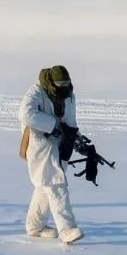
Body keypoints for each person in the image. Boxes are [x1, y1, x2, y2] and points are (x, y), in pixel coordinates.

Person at [18, 65, 84, 244]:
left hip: (61, 144)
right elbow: (25, 114)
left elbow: (71, 119)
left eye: (66, 84)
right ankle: (67, 229)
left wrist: (76, 138)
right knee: (55, 183)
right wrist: (53, 126)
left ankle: (35, 227)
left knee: (44, 186)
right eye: (59, 85)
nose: (63, 88)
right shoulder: (37, 91)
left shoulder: (69, 95)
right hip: (40, 144)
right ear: (51, 83)